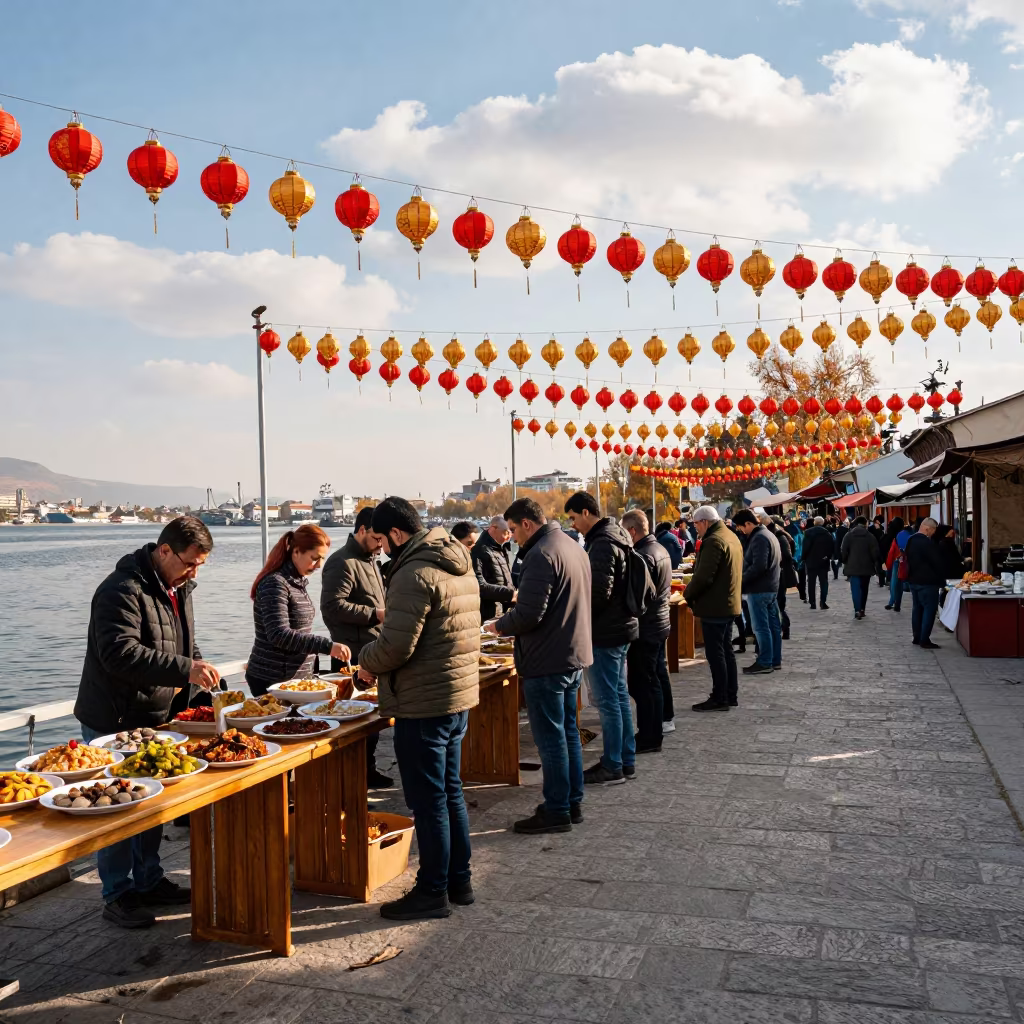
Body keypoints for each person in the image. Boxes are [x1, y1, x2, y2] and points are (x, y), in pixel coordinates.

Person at [75, 516, 220, 928]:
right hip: (114, 719)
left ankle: (149, 879)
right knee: (118, 809)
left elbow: (184, 644)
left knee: (152, 803)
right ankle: (117, 894)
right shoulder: (120, 590)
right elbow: (118, 653)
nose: (194, 572)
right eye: (190, 563)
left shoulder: (178, 587)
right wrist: (186, 669)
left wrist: (199, 676)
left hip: (154, 717)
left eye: (200, 566)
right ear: (164, 551)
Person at [357, 498, 481, 920]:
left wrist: (365, 664)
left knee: (429, 804)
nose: (381, 548)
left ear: (395, 534)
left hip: (424, 704)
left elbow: (395, 646)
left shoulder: (412, 572)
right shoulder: (457, 560)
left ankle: (432, 891)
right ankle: (458, 880)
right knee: (450, 793)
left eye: (381, 539)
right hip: (456, 697)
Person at [487, 498, 591, 834]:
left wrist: (499, 626)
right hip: (572, 653)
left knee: (551, 739)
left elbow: (530, 613)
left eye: (514, 529)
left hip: (547, 659)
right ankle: (572, 802)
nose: (513, 536)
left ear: (527, 524)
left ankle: (558, 808)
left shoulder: (540, 554)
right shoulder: (572, 546)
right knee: (568, 733)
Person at [564, 492, 639, 786]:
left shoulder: (602, 542)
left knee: (609, 700)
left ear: (586, 512)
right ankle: (625, 759)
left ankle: (613, 764)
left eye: (572, 518)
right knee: (618, 696)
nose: (573, 525)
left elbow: (598, 594)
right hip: (621, 627)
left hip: (606, 631)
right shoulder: (617, 534)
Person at [320, 506, 392, 789]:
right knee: (352, 717)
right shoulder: (342, 561)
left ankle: (367, 769)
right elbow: (332, 607)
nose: (380, 545)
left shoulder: (371, 560)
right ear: (362, 530)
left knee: (371, 717)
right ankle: (351, 773)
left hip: (374, 649)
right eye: (376, 538)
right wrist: (377, 614)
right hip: (350, 654)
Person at [247, 524, 350, 696]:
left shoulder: (295, 582)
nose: (319, 565)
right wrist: (327, 646)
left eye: (322, 559)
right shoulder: (275, 584)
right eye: (315, 558)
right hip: (273, 678)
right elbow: (279, 634)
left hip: (296, 678)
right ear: (296, 552)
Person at [682, 506, 743, 711]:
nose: (695, 528)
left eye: (696, 524)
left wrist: (688, 596)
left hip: (715, 606)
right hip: (727, 603)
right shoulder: (730, 535)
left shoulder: (713, 540)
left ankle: (720, 697)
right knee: (726, 651)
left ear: (705, 522)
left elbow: (703, 577)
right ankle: (729, 693)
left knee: (716, 653)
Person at [622, 511, 671, 753]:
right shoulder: (659, 549)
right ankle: (653, 731)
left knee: (644, 683)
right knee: (651, 680)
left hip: (647, 627)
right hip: (658, 623)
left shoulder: (643, 555)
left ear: (632, 531)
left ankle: (650, 735)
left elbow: (637, 598)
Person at [733, 509, 782, 674]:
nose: (741, 531)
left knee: (761, 627)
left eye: (741, 527)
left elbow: (759, 566)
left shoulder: (759, 537)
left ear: (748, 523)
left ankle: (765, 661)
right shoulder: (768, 534)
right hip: (770, 587)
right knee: (772, 626)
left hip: (759, 589)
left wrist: (741, 579)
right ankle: (774, 660)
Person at [905, 517, 945, 649]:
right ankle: (924, 639)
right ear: (928, 529)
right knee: (929, 609)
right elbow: (937, 562)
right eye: (933, 530)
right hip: (928, 582)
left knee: (917, 609)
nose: (933, 533)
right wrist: (941, 580)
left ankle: (916, 636)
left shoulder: (911, 540)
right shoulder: (927, 543)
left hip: (913, 580)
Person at [471, 515, 516, 622]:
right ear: (493, 528)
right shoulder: (479, 550)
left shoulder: (501, 549)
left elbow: (506, 579)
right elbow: (479, 585)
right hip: (489, 613)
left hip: (505, 611)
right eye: (505, 532)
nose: (509, 536)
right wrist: (510, 594)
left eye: (510, 532)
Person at [841, 515, 881, 619]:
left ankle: (857, 610)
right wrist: (874, 562)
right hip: (866, 567)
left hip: (853, 567)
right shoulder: (870, 536)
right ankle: (862, 608)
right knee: (864, 589)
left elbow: (843, 551)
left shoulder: (849, 535)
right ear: (865, 524)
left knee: (855, 589)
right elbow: (875, 552)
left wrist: (846, 561)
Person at [765, 514, 797, 640]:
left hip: (780, 575)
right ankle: (783, 627)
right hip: (780, 574)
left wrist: (778, 564)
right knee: (778, 603)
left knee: (778, 604)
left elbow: (788, 556)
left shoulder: (780, 536)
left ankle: (784, 627)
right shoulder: (781, 535)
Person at [802, 515, 834, 609]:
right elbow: (831, 547)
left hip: (811, 561)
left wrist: (804, 558)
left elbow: (805, 548)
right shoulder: (827, 533)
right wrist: (827, 557)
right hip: (823, 561)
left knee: (811, 583)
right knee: (823, 582)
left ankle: (812, 603)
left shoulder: (808, 533)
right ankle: (823, 602)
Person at [882, 515, 906, 610]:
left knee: (894, 583)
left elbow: (891, 552)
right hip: (903, 561)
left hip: (894, 561)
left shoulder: (890, 535)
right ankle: (897, 603)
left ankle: (892, 602)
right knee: (899, 584)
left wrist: (887, 565)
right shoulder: (903, 534)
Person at [869, 516, 888, 587]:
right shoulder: (870, 529)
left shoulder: (882, 528)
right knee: (878, 564)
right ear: (877, 521)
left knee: (881, 564)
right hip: (875, 548)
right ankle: (881, 580)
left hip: (881, 548)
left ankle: (882, 580)